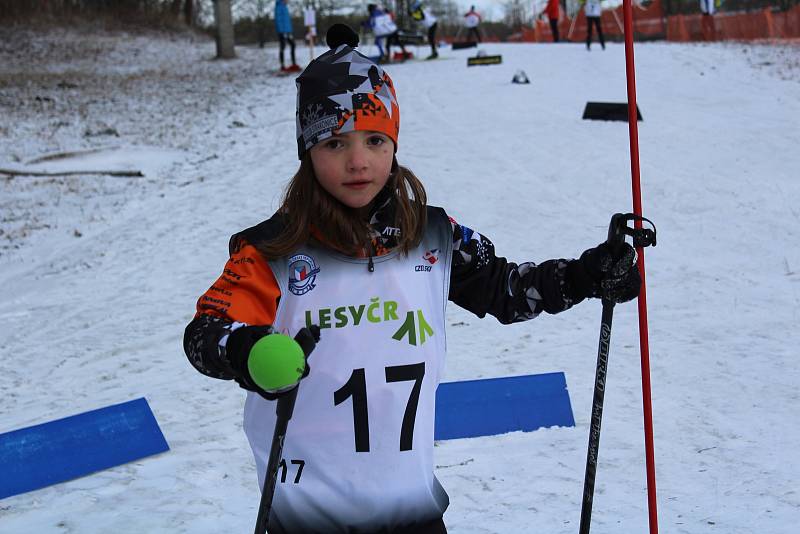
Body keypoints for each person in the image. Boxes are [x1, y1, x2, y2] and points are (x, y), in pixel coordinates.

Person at [183, 24, 641, 534]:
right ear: (307, 151)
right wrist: (245, 351)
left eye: (375, 140)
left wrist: (585, 276)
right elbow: (205, 333)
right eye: (335, 143)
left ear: (393, 146)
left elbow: (508, 290)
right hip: (305, 516)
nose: (358, 161)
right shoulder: (271, 251)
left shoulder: (433, 235)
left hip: (412, 515)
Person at [275, 0, 300, 72]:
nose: (288, 1)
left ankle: (294, 64)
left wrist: (290, 31)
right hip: (282, 32)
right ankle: (282, 66)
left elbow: (287, 21)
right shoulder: (279, 6)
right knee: (282, 47)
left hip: (288, 31)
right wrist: (282, 32)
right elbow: (278, 20)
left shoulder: (285, 7)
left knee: (293, 45)